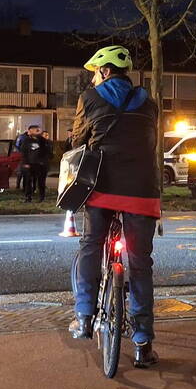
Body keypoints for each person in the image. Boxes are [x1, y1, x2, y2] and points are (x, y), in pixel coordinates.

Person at [69, 45, 160, 368]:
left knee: (91, 243)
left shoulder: (90, 98)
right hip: (142, 191)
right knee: (140, 263)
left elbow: (78, 141)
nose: (93, 77)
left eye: (96, 72)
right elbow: (151, 146)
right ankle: (142, 342)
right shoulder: (149, 103)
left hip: (102, 188)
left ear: (105, 71)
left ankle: (83, 316)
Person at [19, 124, 50, 202]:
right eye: (35, 130)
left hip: (40, 164)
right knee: (28, 181)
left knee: (41, 182)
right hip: (30, 164)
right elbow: (23, 152)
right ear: (30, 131)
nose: (37, 131)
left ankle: (42, 197)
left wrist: (44, 162)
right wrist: (25, 163)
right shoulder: (26, 141)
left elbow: (47, 151)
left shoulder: (42, 140)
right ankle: (28, 197)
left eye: (38, 130)